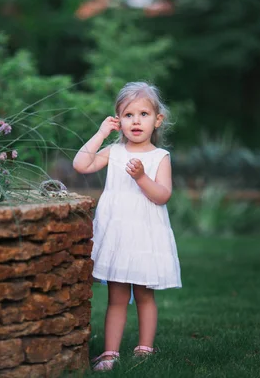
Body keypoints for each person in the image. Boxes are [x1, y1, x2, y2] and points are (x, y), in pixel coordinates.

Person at [72, 82, 182, 371]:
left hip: (145, 234)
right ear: (118, 120)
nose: (136, 120)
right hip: (118, 234)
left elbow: (162, 196)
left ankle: (144, 348)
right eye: (128, 114)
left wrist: (142, 178)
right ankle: (110, 353)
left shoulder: (159, 157)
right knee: (117, 296)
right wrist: (100, 134)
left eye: (144, 114)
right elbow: (81, 165)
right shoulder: (114, 151)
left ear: (157, 120)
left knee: (145, 294)